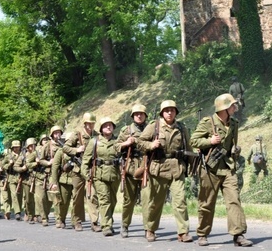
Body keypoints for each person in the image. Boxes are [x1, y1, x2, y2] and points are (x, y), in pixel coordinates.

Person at [191, 94, 253, 247]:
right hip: (210, 169)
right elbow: (193, 140)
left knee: (234, 200)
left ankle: (238, 234)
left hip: (228, 167)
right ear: (224, 108)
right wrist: (209, 141)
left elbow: (231, 143)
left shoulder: (233, 123)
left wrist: (234, 150)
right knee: (207, 203)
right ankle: (203, 234)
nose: (235, 107)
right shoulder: (208, 123)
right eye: (232, 105)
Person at [137, 100, 192, 243]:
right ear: (162, 112)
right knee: (155, 202)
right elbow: (140, 142)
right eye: (166, 110)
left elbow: (188, 148)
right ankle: (150, 229)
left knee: (180, 201)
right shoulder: (154, 126)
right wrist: (151, 145)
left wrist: (192, 166)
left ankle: (183, 232)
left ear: (176, 112)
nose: (169, 112)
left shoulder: (181, 127)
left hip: (177, 167)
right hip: (158, 168)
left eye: (172, 110)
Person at [82, 117, 121, 236]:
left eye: (110, 125)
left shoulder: (118, 141)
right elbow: (85, 160)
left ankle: (109, 221)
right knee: (104, 200)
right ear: (101, 128)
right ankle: (106, 226)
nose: (108, 127)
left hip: (114, 174)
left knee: (113, 200)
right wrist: (87, 175)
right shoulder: (94, 141)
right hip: (99, 175)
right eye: (105, 125)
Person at [116, 104, 150, 238]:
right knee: (128, 200)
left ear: (145, 115)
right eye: (136, 114)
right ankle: (125, 225)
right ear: (133, 116)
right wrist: (126, 143)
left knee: (147, 200)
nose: (139, 116)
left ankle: (148, 228)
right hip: (130, 167)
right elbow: (116, 146)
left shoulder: (152, 128)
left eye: (141, 114)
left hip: (147, 166)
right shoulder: (126, 130)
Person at [63, 113, 100, 232]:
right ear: (84, 123)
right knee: (78, 196)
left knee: (92, 195)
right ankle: (77, 221)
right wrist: (77, 150)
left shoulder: (97, 136)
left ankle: (94, 222)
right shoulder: (77, 134)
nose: (90, 125)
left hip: (91, 168)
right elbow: (65, 147)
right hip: (78, 170)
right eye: (88, 123)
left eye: (92, 123)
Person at [0, 140, 23, 220]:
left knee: (20, 196)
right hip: (11, 177)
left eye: (18, 147)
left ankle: (20, 210)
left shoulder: (22, 155)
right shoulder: (9, 156)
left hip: (21, 177)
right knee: (13, 195)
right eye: (15, 147)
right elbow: (2, 166)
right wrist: (10, 164)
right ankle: (17, 212)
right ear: (12, 148)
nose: (17, 149)